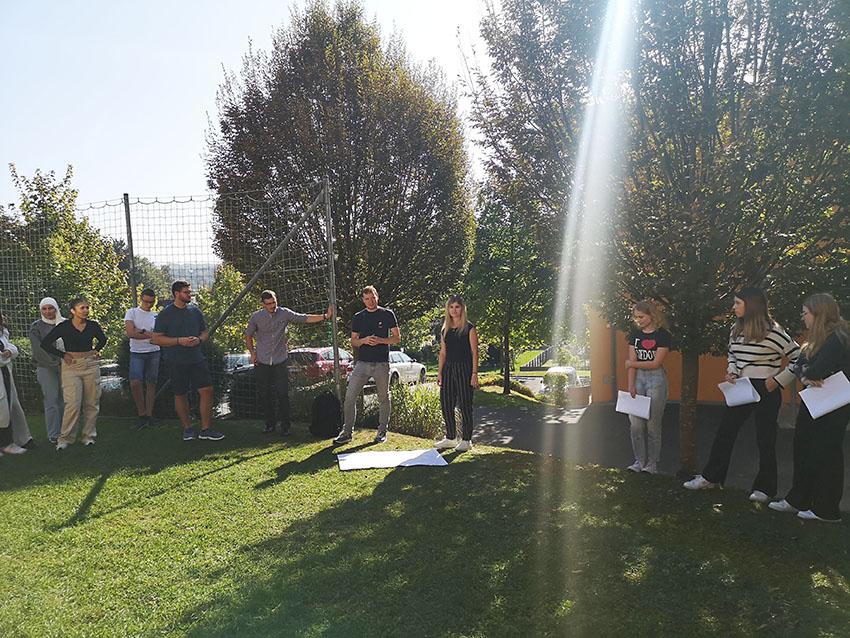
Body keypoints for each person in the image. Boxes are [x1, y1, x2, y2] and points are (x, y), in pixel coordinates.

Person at [684, 287, 799, 502]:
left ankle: (765, 489)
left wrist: (778, 381)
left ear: (752, 305)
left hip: (767, 388)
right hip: (741, 387)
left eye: (738, 303)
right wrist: (732, 371)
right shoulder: (735, 329)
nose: (733, 307)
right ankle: (711, 478)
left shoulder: (775, 331)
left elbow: (798, 357)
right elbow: (732, 355)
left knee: (765, 438)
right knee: (725, 432)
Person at [769, 293, 850, 522]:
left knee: (826, 454)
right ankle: (798, 499)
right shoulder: (817, 339)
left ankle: (826, 510)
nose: (803, 317)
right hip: (816, 400)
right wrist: (805, 374)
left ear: (818, 313)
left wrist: (805, 372)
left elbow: (812, 370)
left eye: (805, 313)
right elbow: (800, 365)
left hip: (834, 405)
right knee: (804, 448)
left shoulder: (837, 339)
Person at [245, 290, 333, 435]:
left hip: (280, 360)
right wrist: (252, 353)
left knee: (283, 394)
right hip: (262, 360)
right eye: (269, 304)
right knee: (265, 394)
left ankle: (286, 426)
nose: (272, 306)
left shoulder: (284, 313)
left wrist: (325, 316)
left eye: (274, 302)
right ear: (263, 304)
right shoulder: (256, 317)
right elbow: (248, 334)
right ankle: (270, 424)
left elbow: (303, 318)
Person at [152, 280, 224, 442]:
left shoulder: (195, 312)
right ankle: (188, 428)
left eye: (190, 292)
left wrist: (199, 339)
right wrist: (179, 341)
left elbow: (204, 333)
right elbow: (157, 339)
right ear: (176, 294)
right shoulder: (165, 314)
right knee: (180, 394)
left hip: (197, 359)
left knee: (207, 390)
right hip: (176, 361)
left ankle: (205, 429)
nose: (190, 295)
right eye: (186, 292)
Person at [333, 286, 400, 445]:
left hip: (382, 363)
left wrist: (381, 341)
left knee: (383, 398)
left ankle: (382, 431)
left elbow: (397, 338)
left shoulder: (387, 314)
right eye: (367, 299)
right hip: (362, 363)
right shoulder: (359, 317)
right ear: (363, 300)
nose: (371, 302)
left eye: (373, 298)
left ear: (377, 297)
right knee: (350, 397)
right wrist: (364, 341)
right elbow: (353, 341)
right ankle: (347, 433)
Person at [41, 297, 107, 450]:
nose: (86, 310)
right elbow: (45, 343)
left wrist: (96, 350)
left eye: (87, 307)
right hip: (71, 367)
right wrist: (63, 355)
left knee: (92, 403)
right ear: (73, 311)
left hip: (90, 365)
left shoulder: (93, 326)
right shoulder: (64, 326)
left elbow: (103, 339)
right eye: (82, 308)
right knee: (72, 403)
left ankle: (88, 436)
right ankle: (65, 439)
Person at [624, 299, 671, 474]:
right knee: (636, 425)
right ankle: (639, 461)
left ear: (652, 315)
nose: (638, 320)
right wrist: (631, 385)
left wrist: (632, 364)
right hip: (638, 378)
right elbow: (631, 362)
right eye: (636, 317)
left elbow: (655, 363)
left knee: (653, 425)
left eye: (641, 317)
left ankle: (652, 464)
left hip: (656, 379)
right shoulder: (635, 335)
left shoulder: (663, 335)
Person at [433, 295, 479, 452]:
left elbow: (475, 352)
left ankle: (466, 440)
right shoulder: (445, 329)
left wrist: (474, 373)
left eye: (457, 307)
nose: (454, 310)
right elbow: (443, 353)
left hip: (464, 368)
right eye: (451, 307)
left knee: (465, 405)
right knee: (446, 404)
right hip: (448, 369)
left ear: (462, 308)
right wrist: (440, 373)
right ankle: (451, 438)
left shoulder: (469, 328)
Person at [29, 297, 66, 444]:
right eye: (44, 309)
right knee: (51, 400)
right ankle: (54, 434)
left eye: (51, 308)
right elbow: (38, 350)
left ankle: (66, 431)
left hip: (66, 366)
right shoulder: (36, 327)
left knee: (65, 400)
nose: (48, 311)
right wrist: (55, 365)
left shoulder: (65, 323)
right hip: (46, 367)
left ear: (56, 308)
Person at [124, 289, 162, 430]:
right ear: (141, 299)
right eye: (146, 301)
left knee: (151, 383)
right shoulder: (131, 312)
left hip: (154, 352)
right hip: (137, 352)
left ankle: (149, 416)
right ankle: (142, 414)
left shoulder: (156, 316)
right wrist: (148, 334)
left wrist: (141, 331)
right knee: (135, 382)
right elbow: (130, 333)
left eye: (151, 302)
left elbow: (157, 336)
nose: (148, 304)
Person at [0, 310, 31, 456]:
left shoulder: (3, 331)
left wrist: (10, 351)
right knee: (2, 410)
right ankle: (6, 443)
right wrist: (6, 356)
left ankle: (9, 442)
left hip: (5, 374)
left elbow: (9, 346)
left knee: (8, 407)